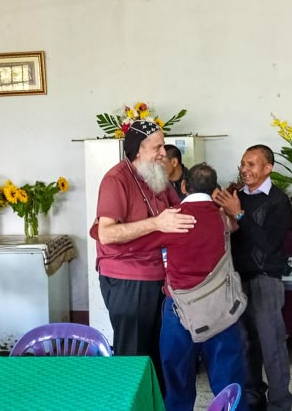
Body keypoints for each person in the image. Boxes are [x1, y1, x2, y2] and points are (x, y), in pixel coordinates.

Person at [96, 163, 247, 411]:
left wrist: (100, 229)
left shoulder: (172, 219)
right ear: (214, 190)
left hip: (180, 311)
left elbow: (129, 244)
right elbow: (234, 227)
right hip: (221, 309)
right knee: (229, 379)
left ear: (184, 186)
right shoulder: (221, 218)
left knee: (177, 383)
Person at [92, 120, 195, 394]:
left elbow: (179, 212)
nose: (163, 152)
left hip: (159, 276)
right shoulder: (116, 179)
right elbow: (106, 234)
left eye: (163, 146)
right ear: (138, 149)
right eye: (157, 147)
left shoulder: (157, 176)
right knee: (134, 357)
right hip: (128, 279)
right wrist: (156, 224)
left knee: (158, 353)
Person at [214, 145, 292, 411]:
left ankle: (280, 403)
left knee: (272, 345)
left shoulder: (278, 201)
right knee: (245, 343)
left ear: (268, 168)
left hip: (265, 279)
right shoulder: (235, 195)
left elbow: (268, 244)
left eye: (251, 164)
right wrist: (225, 214)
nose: (244, 169)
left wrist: (239, 214)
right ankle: (253, 396)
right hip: (237, 279)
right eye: (243, 164)